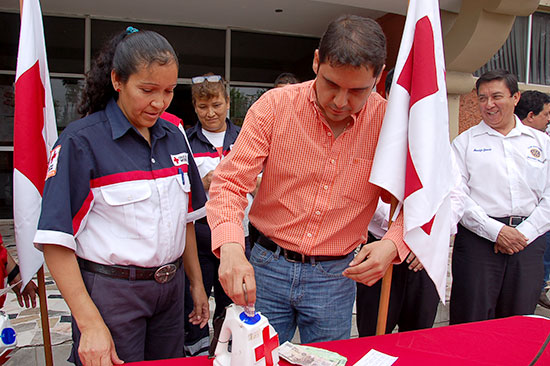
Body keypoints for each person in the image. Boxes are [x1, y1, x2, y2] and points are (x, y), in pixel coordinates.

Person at [207, 15, 409, 344]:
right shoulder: (274, 107)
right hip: (266, 266)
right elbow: (230, 184)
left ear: (379, 76)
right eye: (331, 84)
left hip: (336, 275)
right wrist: (230, 248)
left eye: (357, 90)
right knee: (255, 359)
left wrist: (392, 243)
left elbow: (418, 197)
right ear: (317, 61)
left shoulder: (391, 124)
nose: (341, 102)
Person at [33, 27, 209, 365]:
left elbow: (185, 220)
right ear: (117, 80)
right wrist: (90, 323)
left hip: (170, 294)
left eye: (170, 91)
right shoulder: (81, 142)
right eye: (147, 90)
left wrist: (196, 284)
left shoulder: (175, 137)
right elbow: (56, 242)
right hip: (113, 296)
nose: (160, 102)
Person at [450, 69, 550, 325]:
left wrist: (523, 233)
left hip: (529, 241)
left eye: (496, 96)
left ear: (515, 97)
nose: (488, 105)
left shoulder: (541, 143)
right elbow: (457, 195)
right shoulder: (464, 143)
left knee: (518, 324)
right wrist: (497, 232)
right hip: (478, 243)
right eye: (482, 98)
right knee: (471, 321)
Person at [355, 68, 439, 335]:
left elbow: (452, 196)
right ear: (387, 93)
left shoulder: (434, 141)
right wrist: (394, 240)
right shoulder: (367, 133)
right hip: (377, 249)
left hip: (421, 253)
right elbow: (360, 195)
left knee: (419, 335)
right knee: (372, 334)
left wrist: (416, 238)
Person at [182, 73, 253, 356]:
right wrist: (203, 183)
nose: (210, 113)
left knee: (232, 302)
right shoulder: (185, 141)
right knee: (195, 303)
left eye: (216, 104)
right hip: (199, 236)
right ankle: (196, 355)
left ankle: (227, 355)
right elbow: (178, 192)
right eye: (202, 106)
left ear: (227, 103)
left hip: (237, 236)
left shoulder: (245, 139)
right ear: (194, 107)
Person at [514, 90, 550, 309]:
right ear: (530, 115)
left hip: (539, 219)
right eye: (545, 114)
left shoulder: (544, 142)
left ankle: (540, 285)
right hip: (507, 228)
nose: (548, 119)